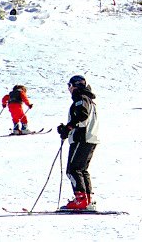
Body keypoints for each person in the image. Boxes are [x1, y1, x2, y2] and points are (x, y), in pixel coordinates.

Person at [57, 75, 99, 211]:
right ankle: (86, 200)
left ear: (74, 86)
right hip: (89, 138)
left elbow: (82, 116)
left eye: (69, 86)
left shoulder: (81, 98)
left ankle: (81, 200)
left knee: (73, 170)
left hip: (82, 138)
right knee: (81, 169)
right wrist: (66, 128)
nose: (69, 89)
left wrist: (68, 127)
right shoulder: (87, 98)